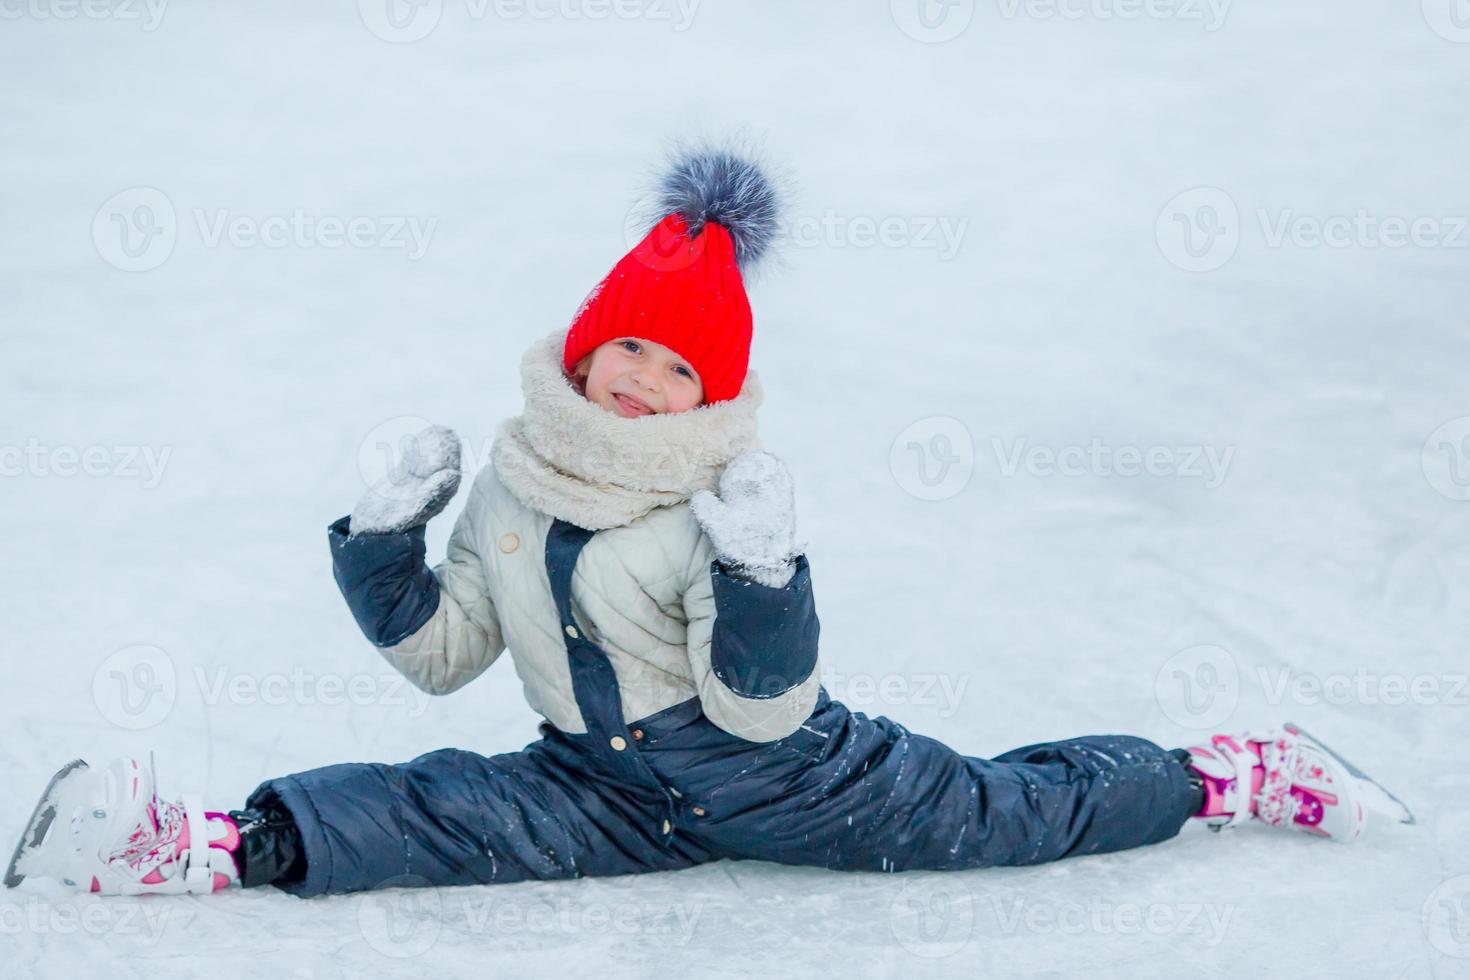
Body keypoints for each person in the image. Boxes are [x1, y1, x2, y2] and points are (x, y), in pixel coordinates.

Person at [6, 142, 1367, 899]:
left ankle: (1219, 775)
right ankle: (200, 847)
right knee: (434, 815)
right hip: (599, 783)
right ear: (591, 347)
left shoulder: (714, 500)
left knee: (999, 811)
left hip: (792, 774)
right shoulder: (514, 480)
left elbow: (766, 710)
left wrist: (765, 572)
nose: (650, 386)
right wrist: (385, 538)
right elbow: (444, 657)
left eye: (684, 371)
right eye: (634, 353)